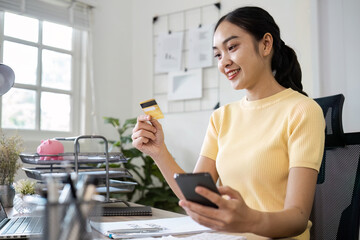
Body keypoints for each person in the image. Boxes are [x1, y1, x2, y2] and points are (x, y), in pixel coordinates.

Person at [132, 6, 325, 240]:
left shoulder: (302, 110)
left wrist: (250, 220)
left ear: (265, 44)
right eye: (218, 55)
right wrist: (158, 151)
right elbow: (196, 199)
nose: (224, 62)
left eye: (232, 47)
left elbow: (298, 218)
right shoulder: (221, 117)